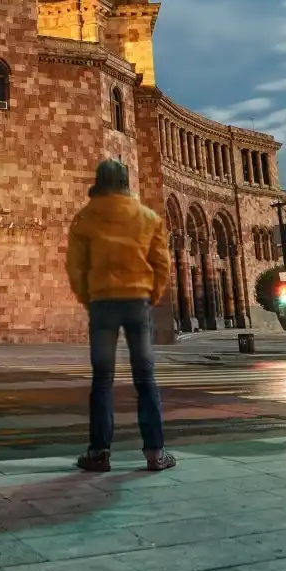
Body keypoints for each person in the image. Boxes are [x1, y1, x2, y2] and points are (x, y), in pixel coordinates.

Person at [65, 159, 175, 473]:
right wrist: (150, 295)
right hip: (137, 301)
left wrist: (88, 298)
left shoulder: (85, 218)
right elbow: (162, 264)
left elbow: (76, 266)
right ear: (126, 183)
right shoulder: (148, 217)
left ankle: (99, 453)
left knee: (102, 380)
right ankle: (155, 454)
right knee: (145, 378)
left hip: (102, 303)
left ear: (99, 183)